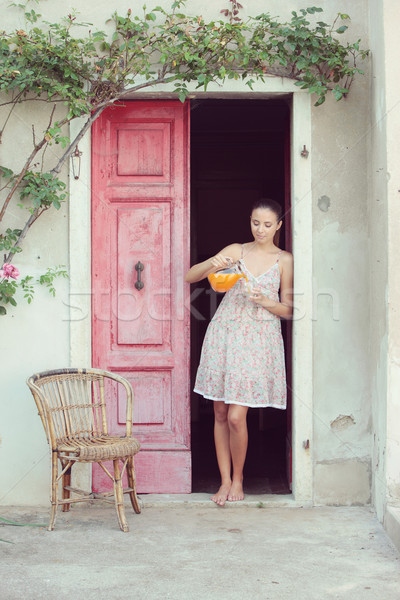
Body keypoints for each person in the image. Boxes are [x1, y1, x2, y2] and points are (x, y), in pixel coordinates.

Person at [185, 198, 293, 506]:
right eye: (255, 223)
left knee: (236, 416)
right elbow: (190, 276)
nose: (261, 229)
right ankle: (225, 480)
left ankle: (240, 477)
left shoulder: (285, 260)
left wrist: (264, 300)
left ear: (278, 226)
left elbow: (287, 310)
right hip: (225, 336)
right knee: (219, 412)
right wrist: (212, 265)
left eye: (268, 225)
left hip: (258, 342)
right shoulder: (236, 251)